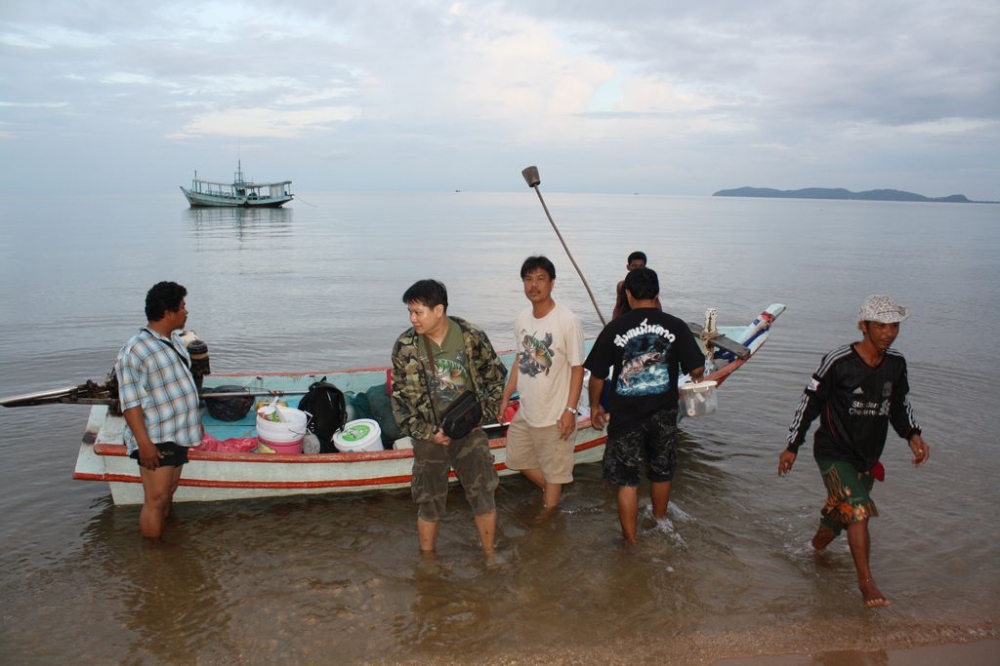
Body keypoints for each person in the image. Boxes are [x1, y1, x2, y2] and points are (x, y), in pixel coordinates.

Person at [778, 295, 931, 608]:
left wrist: (913, 435)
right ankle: (866, 583)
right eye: (881, 325)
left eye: (894, 326)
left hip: (867, 457)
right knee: (859, 508)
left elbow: (899, 406)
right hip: (833, 452)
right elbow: (809, 403)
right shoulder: (838, 361)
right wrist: (793, 445)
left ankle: (809, 552)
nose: (888, 332)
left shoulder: (896, 364)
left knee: (841, 518)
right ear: (864, 326)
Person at [584, 267, 704, 544]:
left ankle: (631, 542)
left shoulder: (615, 328)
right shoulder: (675, 326)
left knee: (627, 481)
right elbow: (697, 368)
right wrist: (692, 376)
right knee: (662, 472)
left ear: (628, 293)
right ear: (657, 293)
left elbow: (597, 375)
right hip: (664, 414)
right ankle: (661, 523)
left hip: (626, 417)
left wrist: (594, 408)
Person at [391, 279, 507, 556]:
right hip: (430, 437)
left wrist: (482, 416)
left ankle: (489, 554)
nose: (412, 319)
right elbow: (400, 400)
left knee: (483, 494)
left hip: (469, 430)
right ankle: (428, 563)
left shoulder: (470, 335)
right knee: (428, 501)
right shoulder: (406, 346)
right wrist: (428, 432)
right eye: (410, 312)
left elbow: (496, 378)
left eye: (418, 312)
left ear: (439, 310)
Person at [115, 281, 202, 539]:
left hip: (178, 432)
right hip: (156, 436)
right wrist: (144, 444)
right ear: (168, 312)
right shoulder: (135, 350)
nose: (186, 312)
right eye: (183, 307)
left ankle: (167, 542)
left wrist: (195, 421)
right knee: (156, 498)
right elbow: (130, 403)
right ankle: (154, 559)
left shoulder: (173, 340)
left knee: (169, 491)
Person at [498, 256, 585, 513]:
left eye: (540, 279)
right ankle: (550, 494)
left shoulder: (568, 321)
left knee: (555, 472)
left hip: (555, 413)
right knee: (515, 457)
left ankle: (549, 518)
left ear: (552, 283)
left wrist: (570, 411)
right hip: (527, 410)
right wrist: (506, 396)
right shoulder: (522, 319)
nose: (533, 285)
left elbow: (578, 368)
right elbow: (519, 360)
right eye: (528, 279)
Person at [612, 251, 661, 319]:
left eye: (641, 266)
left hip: (645, 318)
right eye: (634, 266)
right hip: (626, 318)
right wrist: (613, 323)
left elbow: (656, 303)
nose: (638, 269)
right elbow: (618, 306)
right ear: (628, 267)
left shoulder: (649, 285)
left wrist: (660, 320)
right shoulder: (621, 285)